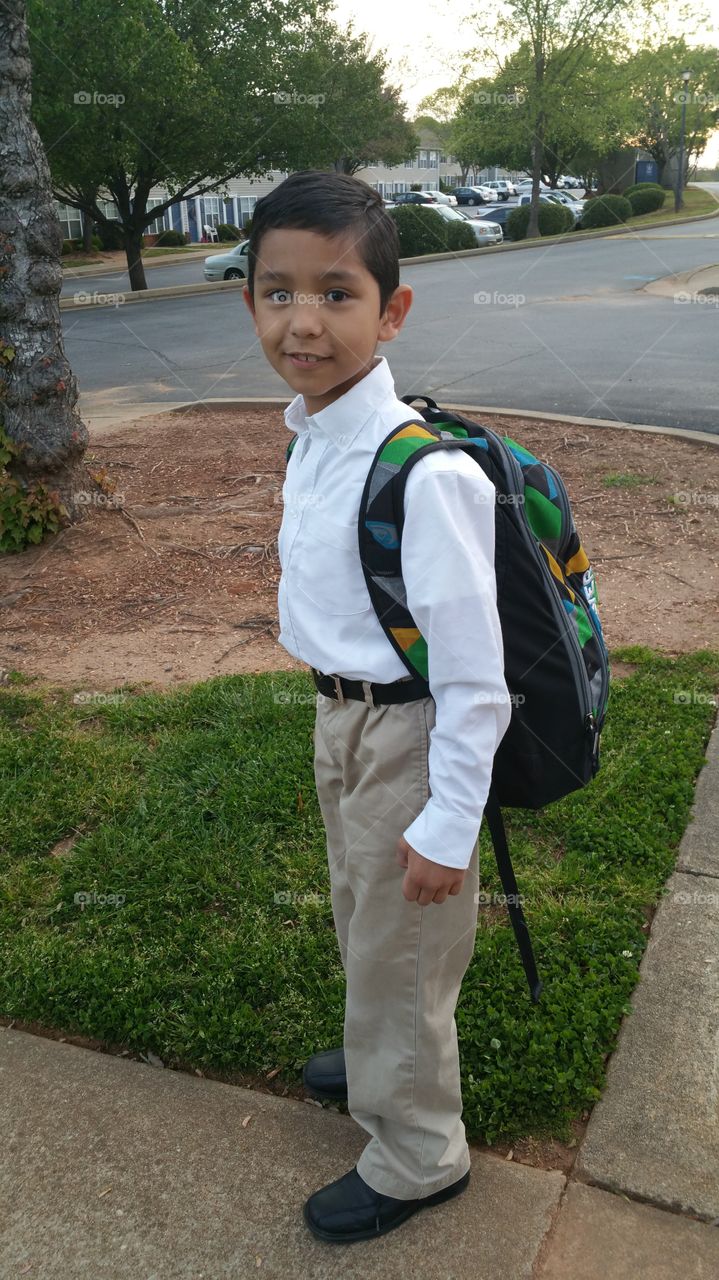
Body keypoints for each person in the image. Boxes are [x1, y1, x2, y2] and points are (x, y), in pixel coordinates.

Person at [242, 170, 511, 1244]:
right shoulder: (315, 432)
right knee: (365, 912)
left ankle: (418, 1152)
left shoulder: (421, 473)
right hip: (342, 720)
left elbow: (476, 676)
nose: (301, 320)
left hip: (408, 732)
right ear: (250, 302)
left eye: (336, 293)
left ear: (390, 311)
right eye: (276, 292)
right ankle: (374, 1058)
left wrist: (449, 819)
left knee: (404, 950)